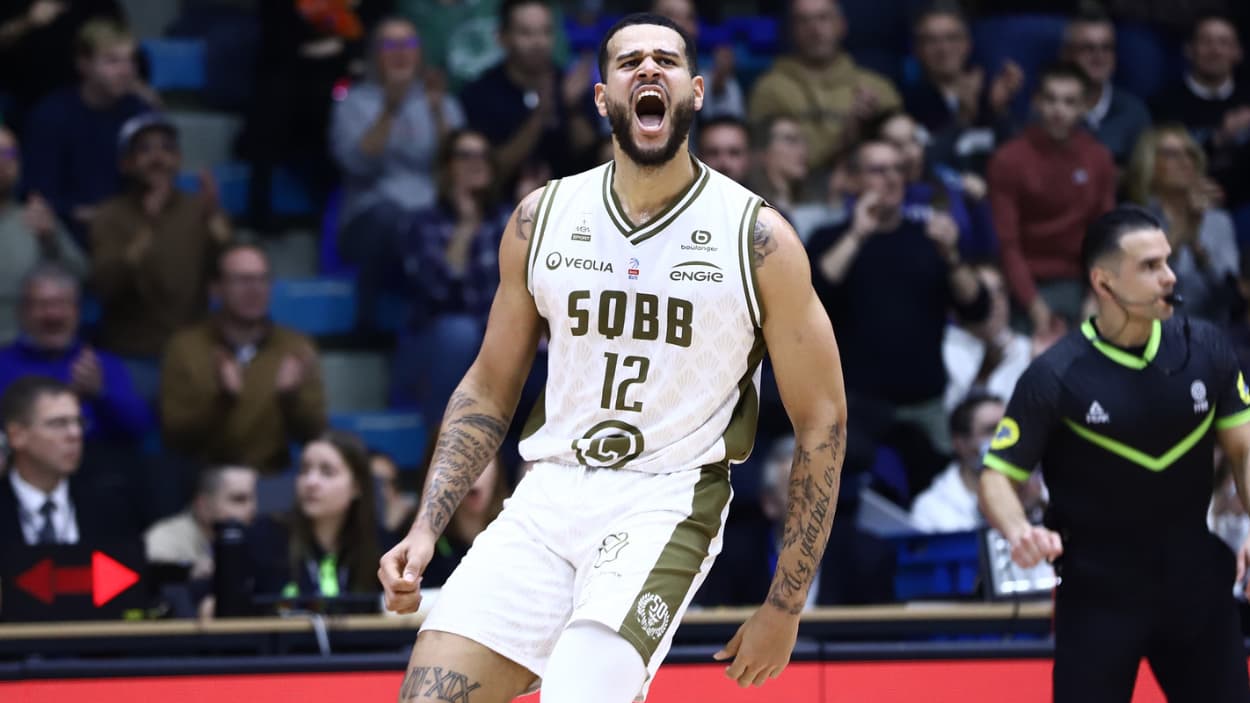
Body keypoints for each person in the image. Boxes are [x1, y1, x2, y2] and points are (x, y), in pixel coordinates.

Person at [378, 13, 848, 702]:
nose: (649, 70)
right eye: (630, 62)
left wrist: (786, 602)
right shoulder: (542, 219)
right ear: (603, 97)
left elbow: (823, 421)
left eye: (666, 60)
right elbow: (487, 385)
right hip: (547, 493)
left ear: (695, 92)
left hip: (666, 498)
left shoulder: (758, 240)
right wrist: (427, 526)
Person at [979, 205, 1250, 702]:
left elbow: (1244, 448)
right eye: (1149, 267)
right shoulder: (1055, 375)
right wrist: (1019, 530)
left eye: (1167, 262)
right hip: (1098, 595)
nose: (1169, 277)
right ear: (1104, 283)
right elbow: (996, 475)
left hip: (1196, 584)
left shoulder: (1207, 347)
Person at [160, 244, 326, 475]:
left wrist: (290, 398)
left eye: (262, 279)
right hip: (205, 479)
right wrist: (223, 400)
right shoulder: (185, 347)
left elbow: (315, 434)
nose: (255, 289)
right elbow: (176, 437)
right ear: (216, 288)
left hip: (270, 478)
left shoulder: (295, 347)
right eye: (242, 280)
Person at [987, 62, 1116, 339]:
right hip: (1026, 286)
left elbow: (1105, 237)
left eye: (1069, 102)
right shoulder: (1008, 160)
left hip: (1082, 283)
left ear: (1083, 107)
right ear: (1037, 102)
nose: (1059, 110)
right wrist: (1036, 309)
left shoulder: (1099, 158)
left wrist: (1096, 297)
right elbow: (1008, 244)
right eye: (1051, 99)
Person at [747, 0, 900, 171]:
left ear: (842, 25)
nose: (814, 29)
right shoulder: (769, 90)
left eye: (823, 18)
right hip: (795, 194)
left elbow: (899, 157)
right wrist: (847, 134)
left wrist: (871, 127)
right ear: (790, 30)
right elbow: (764, 162)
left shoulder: (877, 87)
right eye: (803, 20)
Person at [0, 375, 139, 554]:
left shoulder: (110, 503)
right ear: (16, 435)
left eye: (78, 422)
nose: (75, 434)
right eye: (58, 423)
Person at [246, 431, 381, 603]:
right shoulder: (264, 538)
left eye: (327, 472)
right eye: (304, 470)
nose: (311, 482)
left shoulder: (382, 547)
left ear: (356, 486)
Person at [1125, 124, 1240, 324]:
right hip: (1151, 330)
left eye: (1190, 154)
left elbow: (1231, 294)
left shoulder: (1218, 221)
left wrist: (1198, 250)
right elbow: (1134, 286)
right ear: (1149, 163)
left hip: (1210, 333)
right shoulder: (1133, 219)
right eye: (1171, 154)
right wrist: (1178, 235)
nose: (1185, 162)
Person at [0, 125, 86, 344]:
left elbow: (81, 277)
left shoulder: (37, 218)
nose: (2, 161)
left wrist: (50, 239)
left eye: (9, 154)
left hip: (26, 354)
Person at [144, 464, 258, 581]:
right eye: (238, 499)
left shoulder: (254, 538)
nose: (252, 508)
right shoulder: (164, 540)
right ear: (203, 505)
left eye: (253, 498)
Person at [910, 391, 1003, 532]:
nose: (1004, 437)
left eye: (1008, 427)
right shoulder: (930, 509)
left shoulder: (1039, 490)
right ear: (960, 444)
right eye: (991, 430)